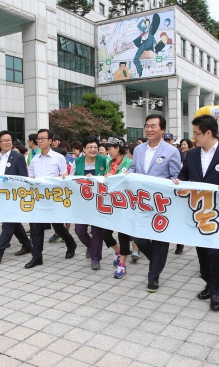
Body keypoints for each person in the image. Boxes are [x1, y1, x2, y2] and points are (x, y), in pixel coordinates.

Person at [175, 115, 219, 312]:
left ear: (208, 133)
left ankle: (216, 291)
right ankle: (208, 282)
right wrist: (179, 181)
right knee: (202, 251)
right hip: (198, 211)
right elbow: (185, 175)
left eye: (196, 134)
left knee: (217, 252)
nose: (194, 137)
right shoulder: (193, 154)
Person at [129, 114, 181, 293]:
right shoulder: (138, 150)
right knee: (138, 237)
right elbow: (133, 169)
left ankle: (153, 277)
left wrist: (176, 183)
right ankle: (156, 260)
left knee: (160, 241)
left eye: (153, 126)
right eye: (147, 126)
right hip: (141, 201)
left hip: (161, 204)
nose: (149, 129)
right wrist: (126, 174)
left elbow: (176, 176)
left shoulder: (171, 151)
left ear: (162, 129)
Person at [26, 129, 77, 268]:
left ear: (50, 141)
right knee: (36, 229)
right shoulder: (34, 159)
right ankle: (37, 257)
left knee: (58, 227)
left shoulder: (58, 158)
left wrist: (58, 179)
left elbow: (64, 178)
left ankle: (71, 244)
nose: (40, 141)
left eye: (43, 138)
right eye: (38, 138)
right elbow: (30, 177)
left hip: (53, 198)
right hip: (38, 198)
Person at [0, 130, 33, 265]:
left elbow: (23, 177)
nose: (7, 142)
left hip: (14, 196)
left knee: (7, 225)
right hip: (1, 196)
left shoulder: (17, 157)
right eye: (4, 140)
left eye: (9, 140)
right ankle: (27, 245)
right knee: (14, 224)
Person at [69, 136, 109, 270]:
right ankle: (91, 246)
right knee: (79, 231)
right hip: (82, 202)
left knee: (97, 231)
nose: (93, 150)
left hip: (99, 201)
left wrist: (98, 179)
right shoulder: (78, 161)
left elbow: (110, 179)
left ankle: (96, 258)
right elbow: (71, 179)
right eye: (90, 147)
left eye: (95, 147)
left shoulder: (104, 160)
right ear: (84, 149)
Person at [103, 136, 136, 278]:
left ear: (118, 148)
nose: (108, 151)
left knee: (123, 235)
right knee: (105, 234)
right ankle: (117, 251)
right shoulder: (108, 163)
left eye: (109, 149)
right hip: (109, 204)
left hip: (125, 205)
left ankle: (122, 265)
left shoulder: (129, 163)